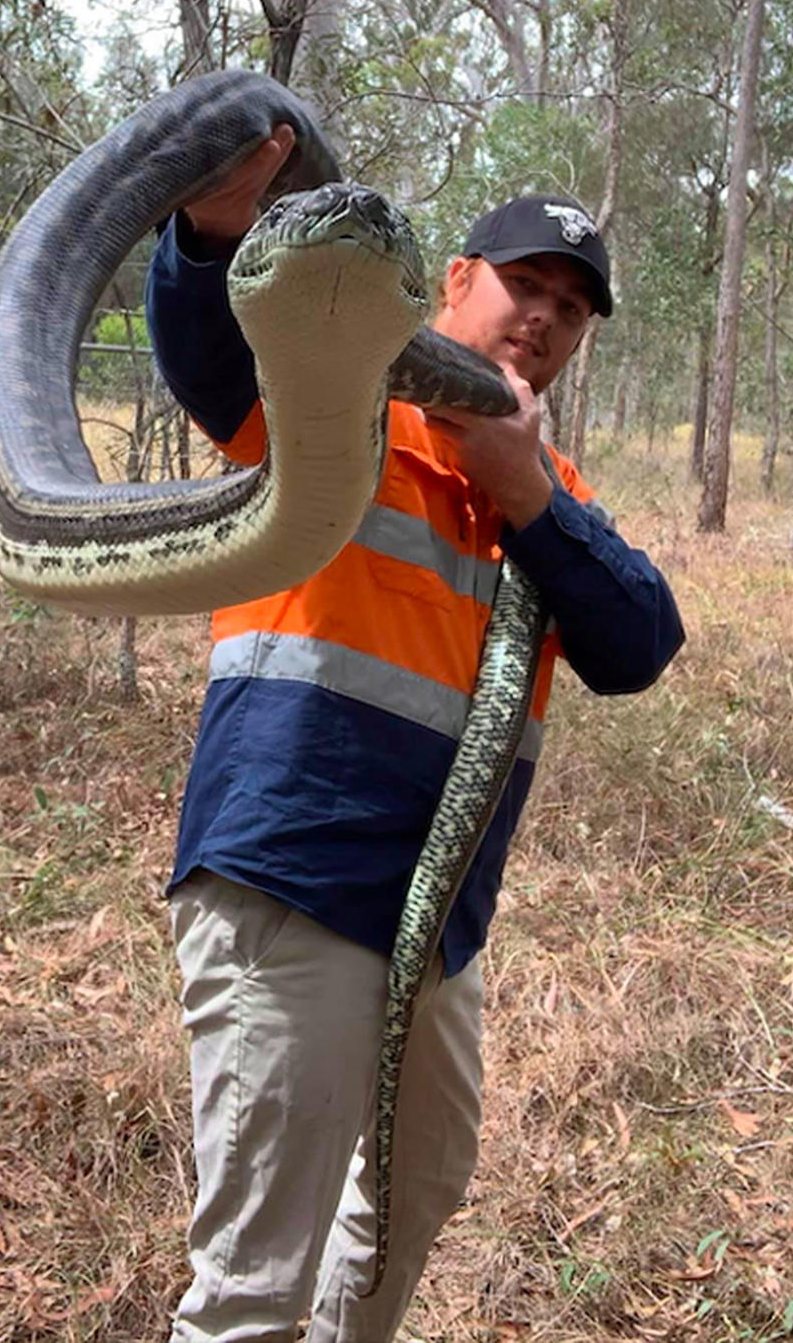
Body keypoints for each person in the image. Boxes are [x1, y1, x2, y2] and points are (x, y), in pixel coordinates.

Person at [145, 125, 684, 1343]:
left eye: (569, 307)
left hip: (440, 927)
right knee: (254, 1280)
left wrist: (528, 489)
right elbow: (211, 357)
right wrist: (212, 231)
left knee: (415, 1195)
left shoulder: (554, 494)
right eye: (522, 284)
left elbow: (639, 641)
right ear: (454, 283)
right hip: (295, 876)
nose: (542, 318)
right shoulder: (344, 405)